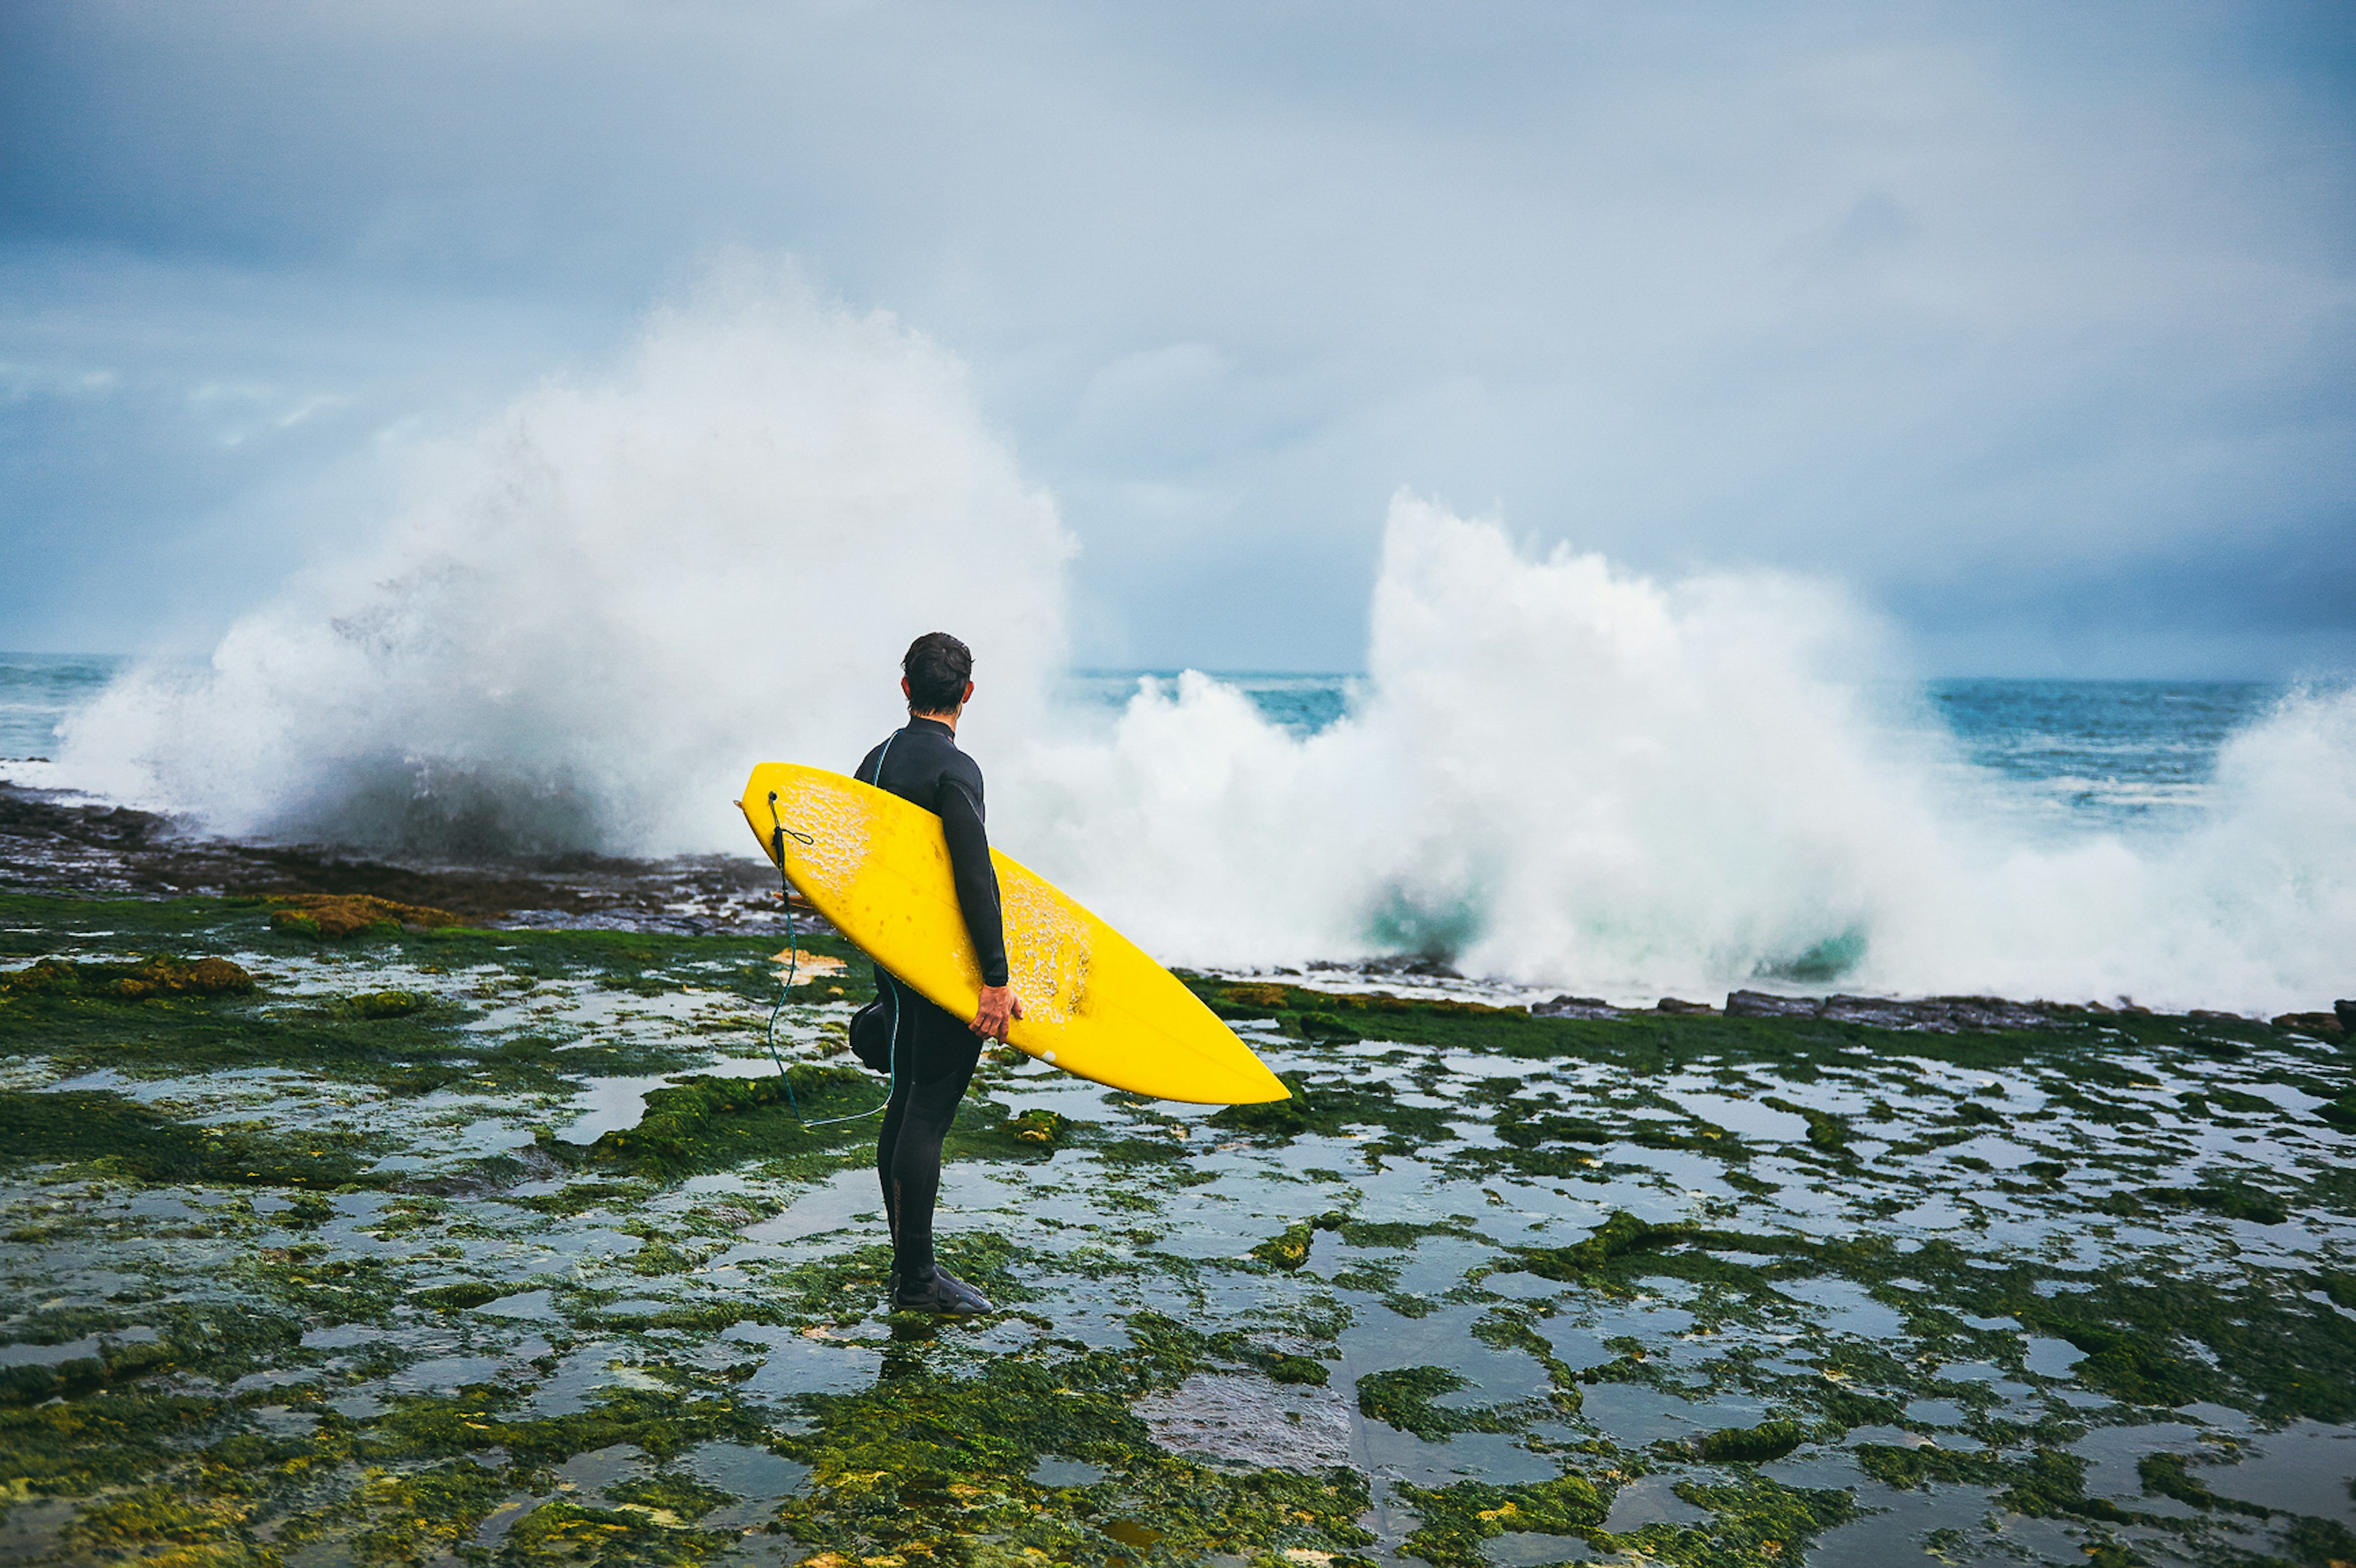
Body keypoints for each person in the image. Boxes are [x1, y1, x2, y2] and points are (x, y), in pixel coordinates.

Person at [853, 631, 1022, 1316]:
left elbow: (855, 872)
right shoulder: (958, 770)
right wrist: (995, 977)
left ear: (906, 690)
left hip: (894, 959)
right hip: (944, 965)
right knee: (927, 1108)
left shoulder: (873, 762)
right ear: (968, 694)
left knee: (905, 1101)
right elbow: (974, 875)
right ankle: (919, 1282)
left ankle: (908, 1268)